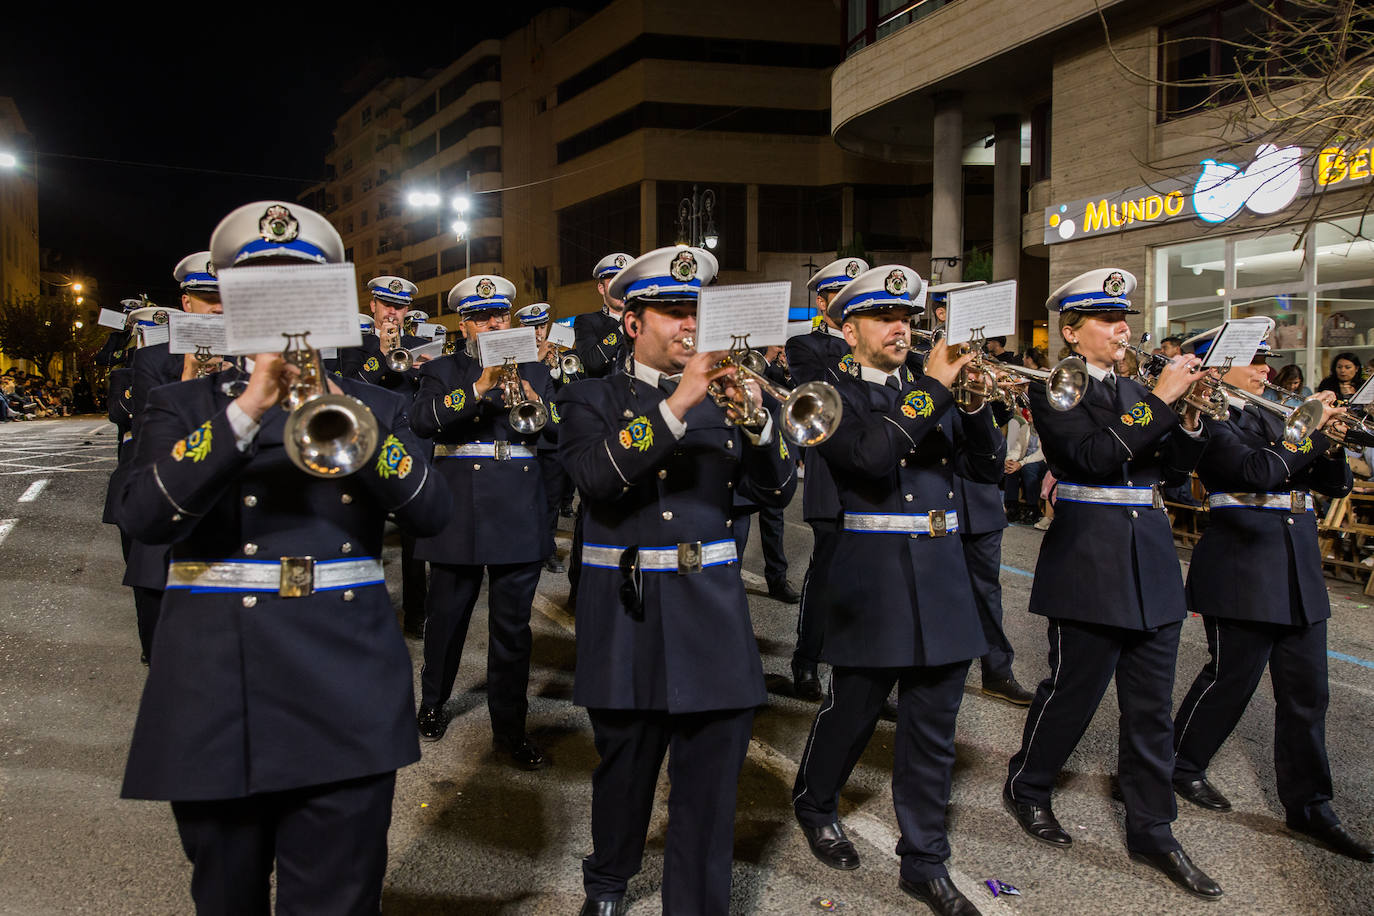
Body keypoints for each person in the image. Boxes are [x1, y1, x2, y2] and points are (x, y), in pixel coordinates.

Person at [117, 200, 450, 915]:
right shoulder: (181, 405)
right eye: (257, 284)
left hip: (346, 686)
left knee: (340, 899)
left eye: (300, 286)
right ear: (232, 299)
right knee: (227, 896)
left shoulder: (372, 407)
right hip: (215, 691)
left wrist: (335, 401)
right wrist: (251, 405)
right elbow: (145, 517)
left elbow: (432, 511)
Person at [559, 246, 796, 914]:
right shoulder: (588, 397)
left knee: (711, 784)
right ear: (633, 323)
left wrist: (758, 420)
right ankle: (608, 882)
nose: (689, 323)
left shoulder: (730, 394)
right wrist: (682, 399)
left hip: (712, 612)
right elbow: (598, 480)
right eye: (672, 310)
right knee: (625, 769)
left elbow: (775, 492)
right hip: (626, 612)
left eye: (697, 310)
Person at [1003, 268, 1224, 900]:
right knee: (1074, 689)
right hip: (1089, 557)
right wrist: (1163, 400)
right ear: (1072, 333)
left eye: (1122, 315)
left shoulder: (1138, 387)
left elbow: (1178, 475)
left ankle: (1154, 829)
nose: (1121, 326)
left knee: (1151, 707)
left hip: (1149, 557)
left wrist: (1188, 417)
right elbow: (1093, 459)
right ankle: (1031, 784)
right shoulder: (1056, 390)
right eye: (1104, 318)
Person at [792, 266, 1004, 916]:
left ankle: (925, 862)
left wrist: (975, 406)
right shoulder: (828, 395)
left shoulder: (930, 388)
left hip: (940, 573)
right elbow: (871, 458)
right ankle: (816, 799)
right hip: (872, 573)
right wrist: (939, 389)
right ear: (848, 327)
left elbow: (987, 468)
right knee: (853, 713)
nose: (900, 329)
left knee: (934, 729)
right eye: (884, 318)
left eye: (907, 319)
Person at [1171, 329, 1373, 862]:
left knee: (1308, 694)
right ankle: (1180, 765)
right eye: (1253, 362)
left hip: (1296, 563)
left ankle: (1311, 806)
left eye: (1266, 362)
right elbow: (1258, 471)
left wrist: (1331, 436)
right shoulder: (1213, 416)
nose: (1265, 372)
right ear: (1221, 368)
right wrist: (1309, 429)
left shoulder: (1280, 415)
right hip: (1242, 560)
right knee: (1230, 681)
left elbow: (1335, 486)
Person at [410, 274, 555, 770]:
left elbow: (552, 429)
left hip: (517, 504)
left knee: (512, 629)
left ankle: (510, 728)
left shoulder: (536, 366)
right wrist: (479, 386)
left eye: (500, 315)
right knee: (447, 619)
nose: (493, 322)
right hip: (459, 507)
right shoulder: (443, 368)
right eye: (481, 317)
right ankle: (432, 703)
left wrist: (531, 393)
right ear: (464, 324)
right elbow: (422, 420)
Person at [925, 281, 1034, 707]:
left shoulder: (984, 359)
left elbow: (997, 420)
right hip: (938, 489)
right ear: (940, 313)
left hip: (980, 496)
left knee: (987, 591)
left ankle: (997, 672)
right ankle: (928, 671)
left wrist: (999, 394)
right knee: (932, 588)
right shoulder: (921, 358)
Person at [784, 256, 868, 700]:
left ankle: (863, 672)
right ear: (823, 300)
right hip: (833, 479)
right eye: (843, 294)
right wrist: (862, 352)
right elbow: (822, 398)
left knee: (872, 580)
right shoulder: (805, 345)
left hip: (879, 480)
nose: (855, 303)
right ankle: (806, 661)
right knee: (827, 575)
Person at [731, 343, 801, 603]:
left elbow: (778, 402)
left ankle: (777, 578)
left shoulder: (766, 365)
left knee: (774, 515)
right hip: (736, 450)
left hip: (766, 442)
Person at [516, 302, 575, 574]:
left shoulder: (559, 355)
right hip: (527, 440)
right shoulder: (514, 356)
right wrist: (537, 361)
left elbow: (570, 394)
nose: (539, 332)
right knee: (525, 501)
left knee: (551, 502)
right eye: (533, 327)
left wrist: (561, 368)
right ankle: (526, 547)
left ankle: (547, 549)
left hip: (553, 438)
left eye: (541, 326)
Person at [573, 252, 635, 379]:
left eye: (625, 284)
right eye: (614, 284)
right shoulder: (586, 321)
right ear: (601, 289)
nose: (621, 290)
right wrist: (624, 327)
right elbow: (592, 362)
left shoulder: (642, 321)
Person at [1003, 409, 1046, 524]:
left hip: (1042, 462)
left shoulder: (1047, 429)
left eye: (1031, 411)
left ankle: (1033, 508)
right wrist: (1010, 460)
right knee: (1010, 469)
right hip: (1025, 461)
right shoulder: (1025, 428)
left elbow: (1041, 454)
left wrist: (1021, 463)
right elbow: (1017, 448)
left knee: (1029, 469)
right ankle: (1012, 506)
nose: (1028, 413)